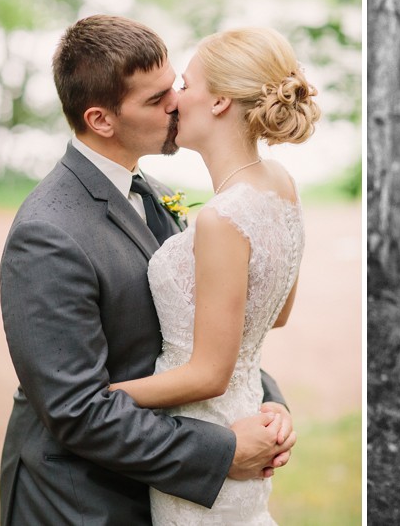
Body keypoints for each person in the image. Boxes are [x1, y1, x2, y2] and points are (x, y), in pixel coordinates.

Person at [0, 15, 295, 525]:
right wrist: (222, 451)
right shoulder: (46, 234)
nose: (176, 104)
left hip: (154, 478)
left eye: (175, 86)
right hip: (80, 499)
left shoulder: (153, 192)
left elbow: (199, 328)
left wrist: (267, 403)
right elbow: (77, 410)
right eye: (157, 100)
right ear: (101, 120)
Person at [109, 27, 319, 523]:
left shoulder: (223, 217)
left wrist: (101, 399)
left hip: (206, 439)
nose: (173, 99)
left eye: (184, 82)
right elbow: (277, 313)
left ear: (221, 99)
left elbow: (208, 373)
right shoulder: (280, 184)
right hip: (244, 414)